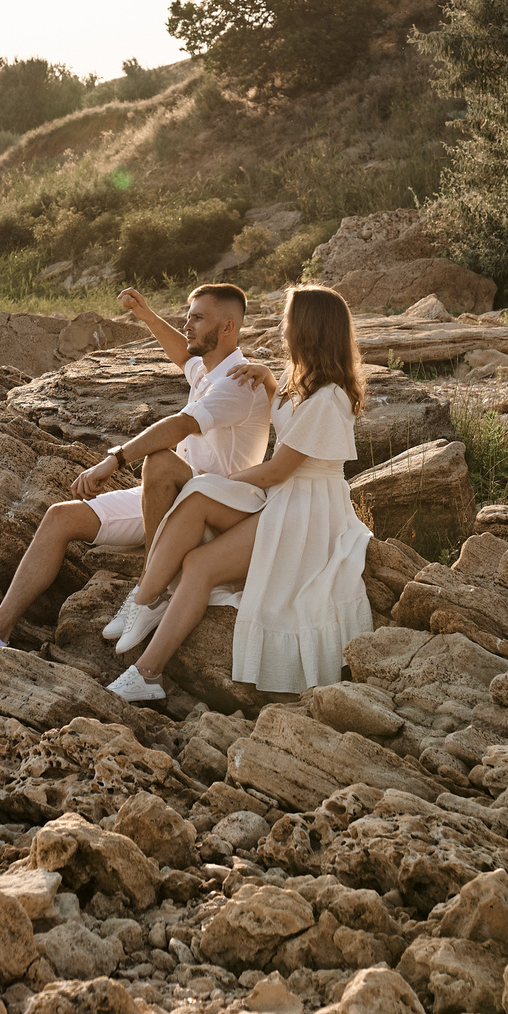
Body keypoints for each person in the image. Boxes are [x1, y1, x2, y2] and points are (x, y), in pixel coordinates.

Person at [0, 282, 270, 659]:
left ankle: (149, 591)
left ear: (227, 328)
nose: (187, 325)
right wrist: (146, 314)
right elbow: (181, 358)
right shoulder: (208, 370)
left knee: (160, 460)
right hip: (173, 496)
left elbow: (179, 426)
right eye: (188, 316)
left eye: (198, 318)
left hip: (211, 510)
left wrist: (115, 459)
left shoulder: (239, 382)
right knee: (59, 518)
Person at [105, 284, 373, 702]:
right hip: (284, 501)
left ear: (309, 329)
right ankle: (145, 601)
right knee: (196, 545)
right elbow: (285, 416)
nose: (282, 328)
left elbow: (277, 470)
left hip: (307, 514)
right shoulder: (299, 379)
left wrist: (215, 483)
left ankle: (146, 669)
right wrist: (268, 379)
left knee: (199, 521)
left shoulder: (329, 399)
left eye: (288, 321)